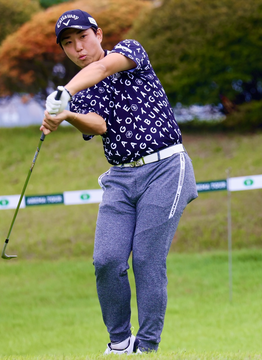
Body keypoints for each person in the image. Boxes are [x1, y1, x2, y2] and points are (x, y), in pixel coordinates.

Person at [42, 9, 198, 354]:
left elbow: (100, 68)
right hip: (121, 179)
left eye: (83, 37)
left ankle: (147, 347)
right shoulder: (82, 93)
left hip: (166, 168)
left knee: (145, 259)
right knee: (107, 260)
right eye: (68, 44)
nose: (78, 48)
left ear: (98, 34)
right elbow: (97, 125)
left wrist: (62, 94)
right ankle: (119, 343)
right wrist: (66, 114)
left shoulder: (129, 51)